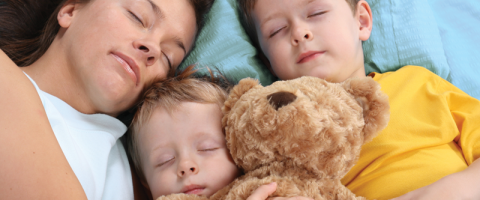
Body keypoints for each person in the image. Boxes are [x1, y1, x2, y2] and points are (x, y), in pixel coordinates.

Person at [237, 0, 480, 199]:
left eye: (317, 12)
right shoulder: (276, 134)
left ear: (361, 21)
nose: (300, 33)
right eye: (277, 30)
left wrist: (445, 192)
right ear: (268, 62)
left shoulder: (417, 82)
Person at [0, 0, 214, 199]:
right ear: (70, 10)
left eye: (168, 57)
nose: (153, 49)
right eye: (137, 16)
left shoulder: (154, 176)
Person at [126, 66, 314, 200]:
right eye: (164, 161)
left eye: (206, 148)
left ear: (239, 149)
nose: (185, 166)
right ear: (144, 183)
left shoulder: (270, 188)